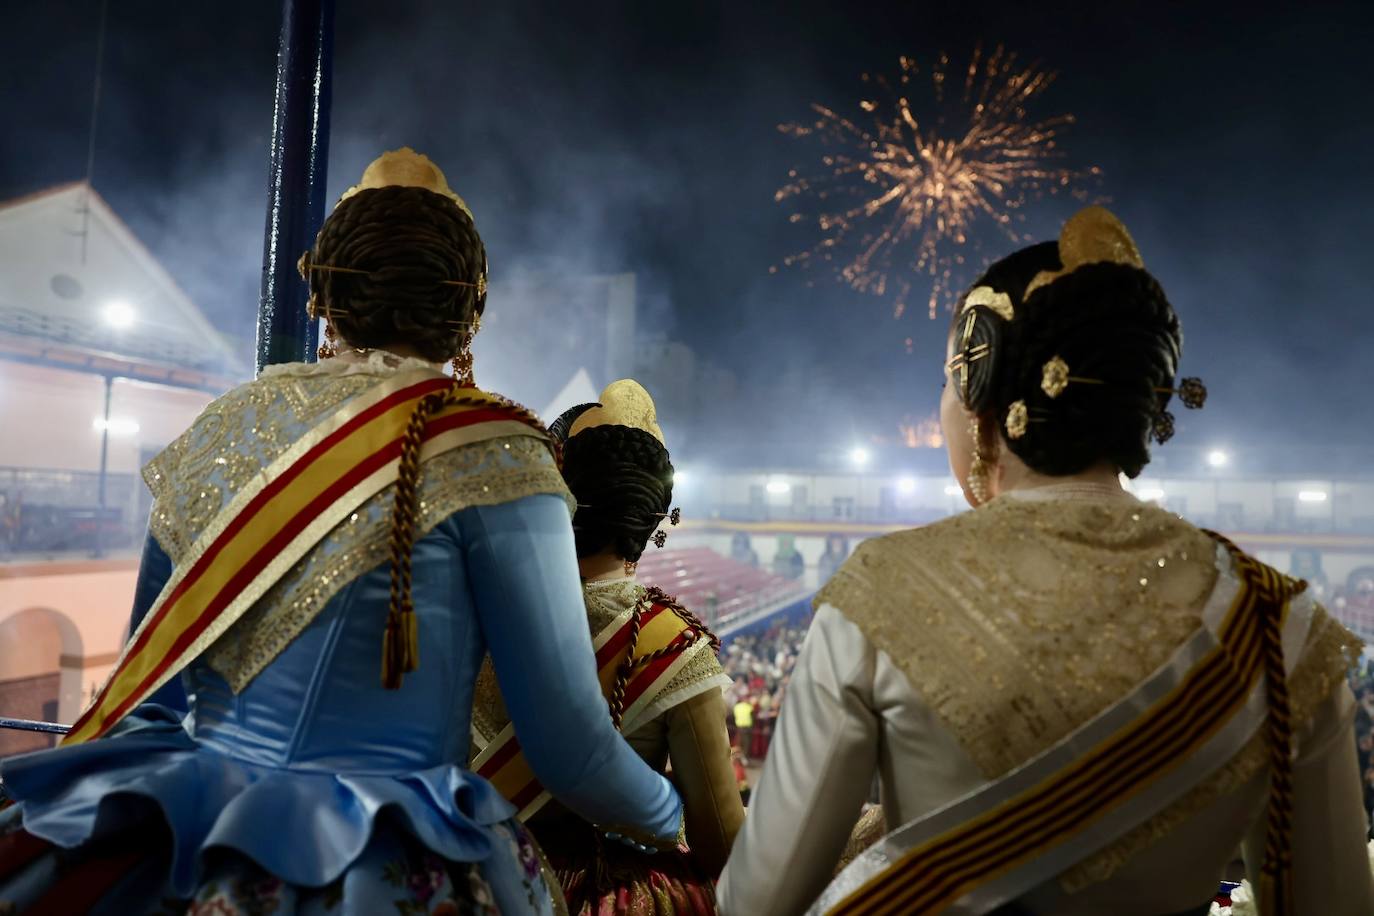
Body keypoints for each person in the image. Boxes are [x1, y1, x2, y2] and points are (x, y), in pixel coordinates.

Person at [0, 149, 683, 914]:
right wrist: (673, 815)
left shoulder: (228, 423)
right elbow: (570, 748)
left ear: (325, 298)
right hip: (386, 860)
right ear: (472, 309)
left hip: (196, 851)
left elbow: (147, 699)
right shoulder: (498, 449)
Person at [717, 207, 1372, 916]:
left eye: (946, 379)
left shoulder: (877, 592)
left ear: (979, 388)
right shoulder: (1280, 622)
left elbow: (757, 901)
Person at [471, 380, 743, 915]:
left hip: (475, 882)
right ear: (654, 518)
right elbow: (724, 841)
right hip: (609, 895)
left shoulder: (475, 614)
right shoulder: (671, 642)